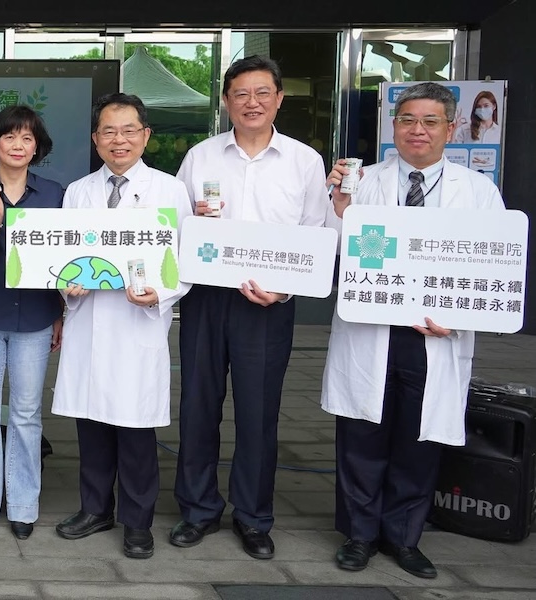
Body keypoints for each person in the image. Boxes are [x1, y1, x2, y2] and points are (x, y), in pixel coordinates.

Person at [322, 82, 504, 578]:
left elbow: (495, 266)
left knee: (418, 442)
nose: (417, 130)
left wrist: (462, 316)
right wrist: (339, 206)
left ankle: (404, 537)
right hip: (372, 330)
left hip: (434, 335)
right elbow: (333, 250)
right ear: (393, 125)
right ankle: (360, 535)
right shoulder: (362, 183)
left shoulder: (478, 192)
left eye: (429, 121)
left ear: (451, 127)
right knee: (362, 435)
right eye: (407, 120)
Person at [170, 55, 328, 559]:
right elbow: (174, 227)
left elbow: (316, 234)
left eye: (262, 93)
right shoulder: (200, 157)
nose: (251, 103)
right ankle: (198, 509)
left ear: (279, 99)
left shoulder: (304, 161)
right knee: (198, 406)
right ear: (226, 101)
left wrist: (285, 289)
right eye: (240, 93)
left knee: (259, 412)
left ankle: (254, 517)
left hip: (268, 301)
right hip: (206, 296)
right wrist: (193, 223)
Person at [52, 93, 192, 559]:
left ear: (145, 136)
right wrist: (65, 284)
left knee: (134, 429)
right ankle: (95, 509)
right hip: (89, 322)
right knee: (91, 423)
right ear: (95, 139)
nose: (119, 140)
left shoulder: (169, 191)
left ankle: (137, 521)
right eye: (109, 131)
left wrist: (162, 293)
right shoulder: (78, 191)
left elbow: (185, 260)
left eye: (129, 130)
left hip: (137, 324)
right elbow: (62, 255)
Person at [0, 105, 63, 540]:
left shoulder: (55, 194)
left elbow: (62, 260)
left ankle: (22, 504)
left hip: (36, 316)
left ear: (37, 147)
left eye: (27, 138)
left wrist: (62, 312)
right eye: (10, 137)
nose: (18, 145)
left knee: (27, 413)